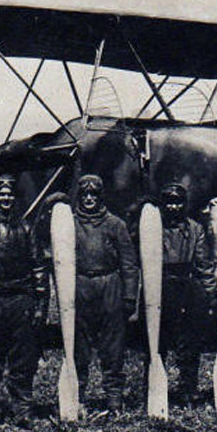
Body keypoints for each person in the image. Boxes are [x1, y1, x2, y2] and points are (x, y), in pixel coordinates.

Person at [0, 174, 48, 428]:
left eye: (9, 194)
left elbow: (38, 266)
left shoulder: (26, 228)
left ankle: (22, 408)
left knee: (24, 358)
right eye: (1, 194)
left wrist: (40, 304)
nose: (6, 198)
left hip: (21, 299)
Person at [72, 174, 139, 414]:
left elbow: (129, 263)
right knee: (79, 348)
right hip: (80, 287)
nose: (89, 199)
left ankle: (114, 400)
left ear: (101, 197)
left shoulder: (115, 225)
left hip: (110, 285)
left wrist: (130, 297)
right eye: (85, 195)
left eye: (94, 195)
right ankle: (76, 398)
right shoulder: (70, 224)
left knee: (113, 348)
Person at [157, 182, 216, 406]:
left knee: (190, 346)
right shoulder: (153, 227)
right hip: (160, 288)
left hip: (187, 290)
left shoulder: (195, 229)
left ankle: (188, 390)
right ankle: (154, 389)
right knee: (158, 343)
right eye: (169, 202)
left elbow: (204, 265)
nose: (173, 207)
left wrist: (210, 295)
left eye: (178, 202)